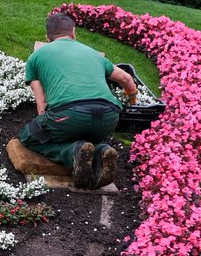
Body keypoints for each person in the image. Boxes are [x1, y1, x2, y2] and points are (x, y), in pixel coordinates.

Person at [20, 12, 138, 189]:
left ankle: (72, 153)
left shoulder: (36, 57)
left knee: (30, 136)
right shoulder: (94, 54)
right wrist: (132, 99)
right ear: (73, 32)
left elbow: (42, 105)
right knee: (85, 133)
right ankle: (101, 151)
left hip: (69, 116)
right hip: (108, 117)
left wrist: (44, 126)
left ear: (47, 37)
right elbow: (127, 79)